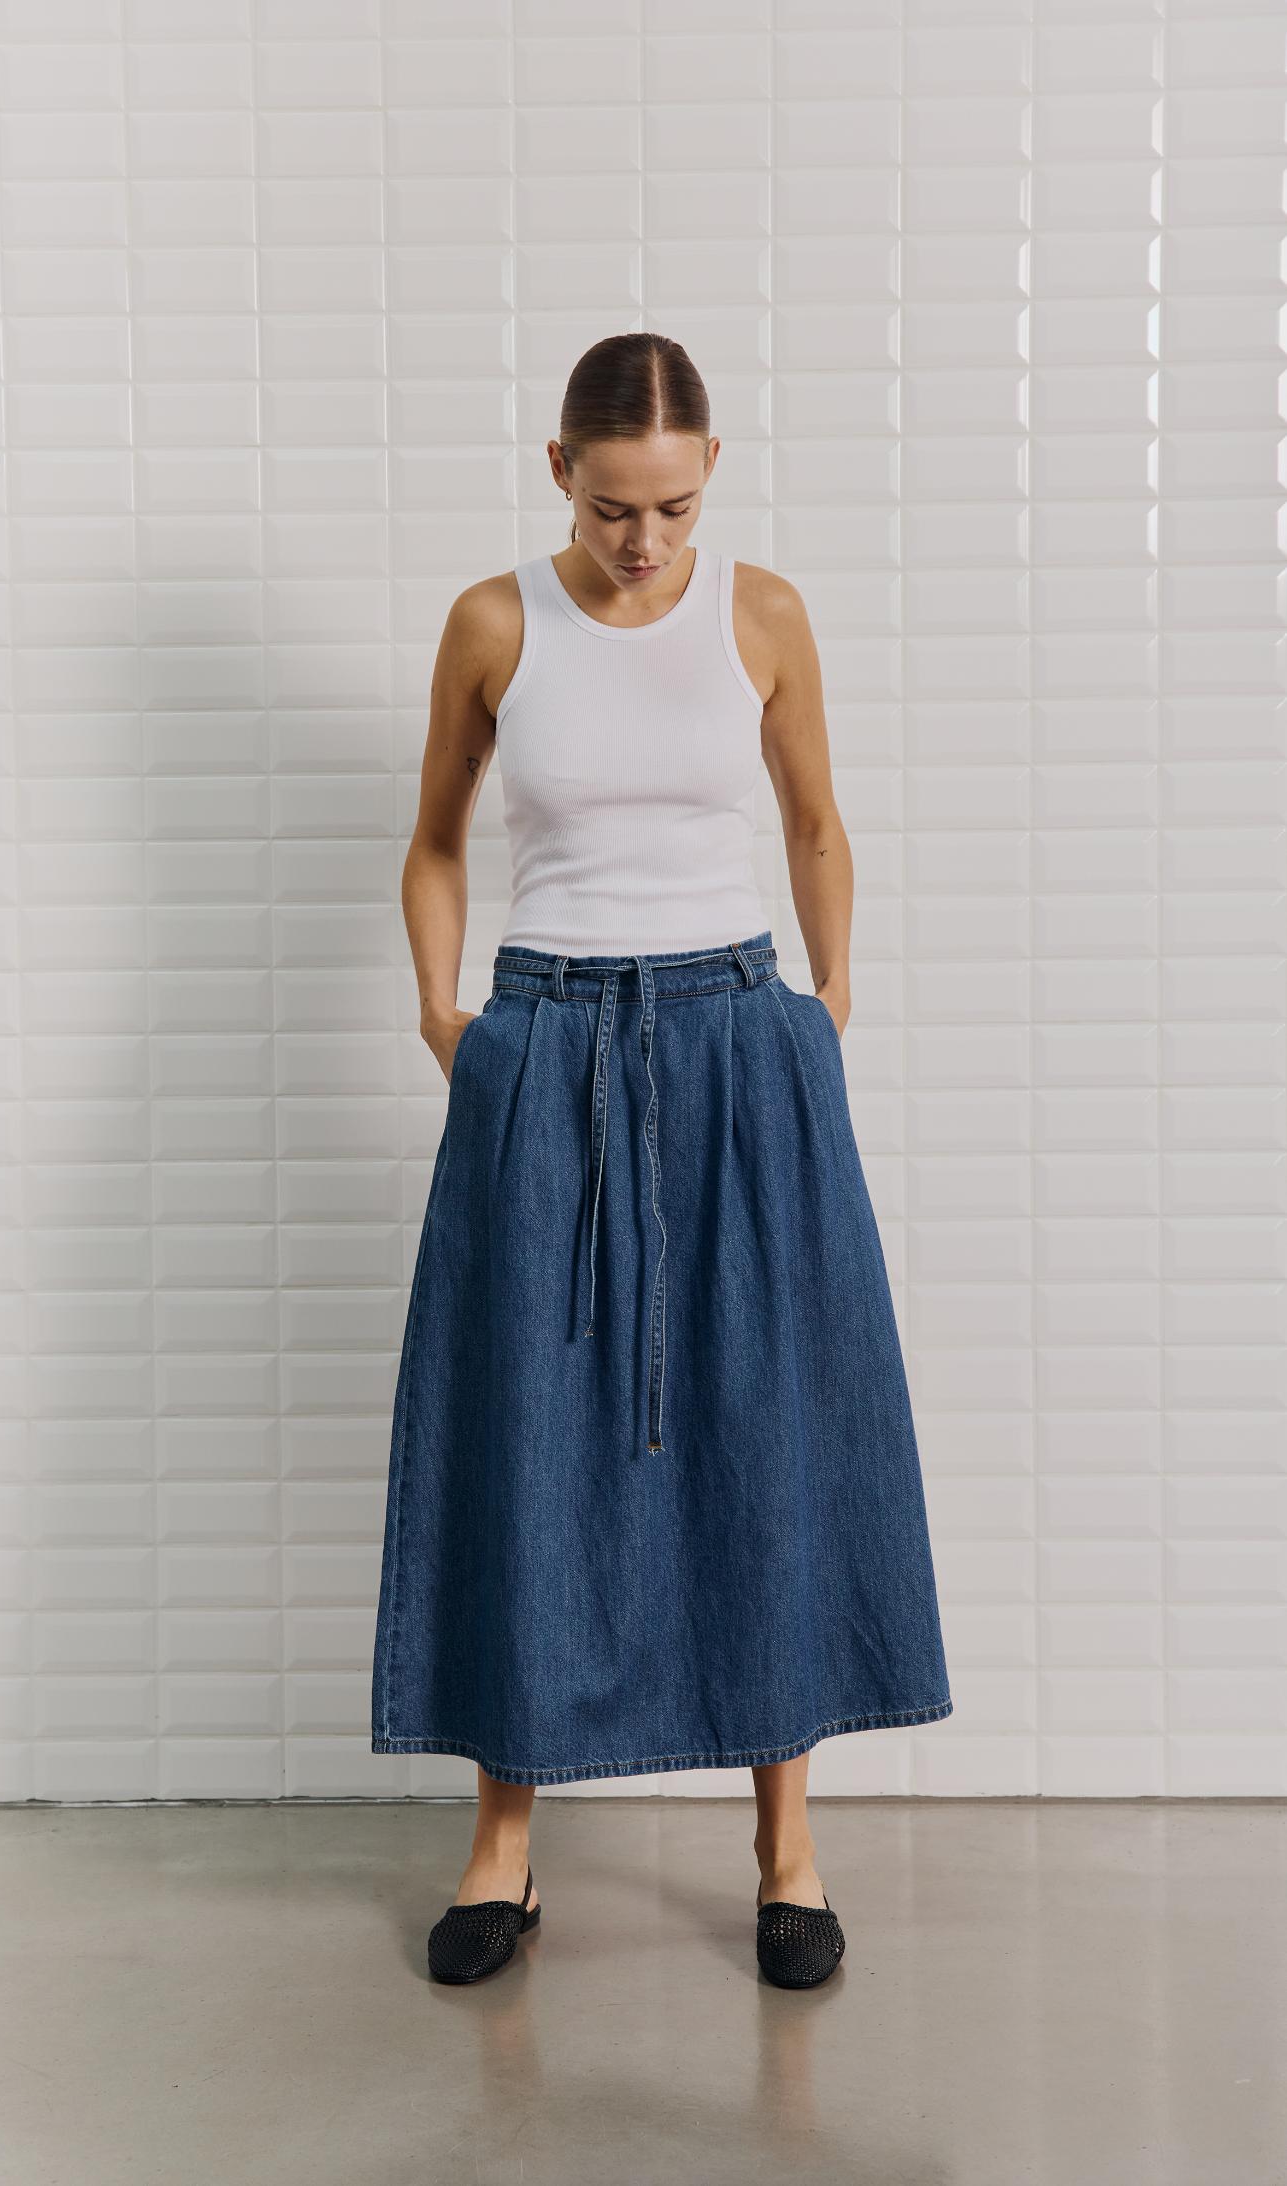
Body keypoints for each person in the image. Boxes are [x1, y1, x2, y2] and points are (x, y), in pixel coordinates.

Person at [371, 332, 952, 1990]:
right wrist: (446, 1019)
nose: (645, 542)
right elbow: (434, 839)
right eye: (615, 508)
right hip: (544, 1040)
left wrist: (823, 1011)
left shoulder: (759, 614)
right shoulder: (495, 623)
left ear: (710, 478)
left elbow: (814, 822)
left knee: (763, 1410)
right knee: (526, 1417)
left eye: (676, 509)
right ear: (560, 471)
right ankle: (502, 1844)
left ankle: (786, 1847)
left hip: (736, 1034)